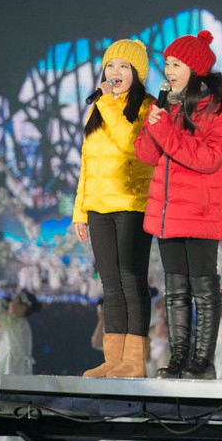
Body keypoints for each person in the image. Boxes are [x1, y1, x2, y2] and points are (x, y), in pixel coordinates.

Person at [134, 30, 222, 380]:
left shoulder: (215, 108)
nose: (169, 70)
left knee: (203, 289)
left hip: (200, 210)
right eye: (166, 64)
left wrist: (164, 132)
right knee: (175, 290)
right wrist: (152, 124)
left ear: (195, 68)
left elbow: (207, 158)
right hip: (168, 213)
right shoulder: (167, 105)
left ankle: (202, 363)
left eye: (176, 64)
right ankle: (179, 360)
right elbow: (146, 154)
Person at [73, 39, 157, 378]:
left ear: (137, 72)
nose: (116, 72)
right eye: (111, 66)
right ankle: (114, 359)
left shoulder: (147, 107)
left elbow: (128, 144)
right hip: (99, 207)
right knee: (109, 284)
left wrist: (107, 102)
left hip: (132, 204)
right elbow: (88, 162)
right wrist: (81, 210)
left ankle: (135, 362)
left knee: (131, 280)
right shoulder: (100, 109)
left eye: (124, 66)